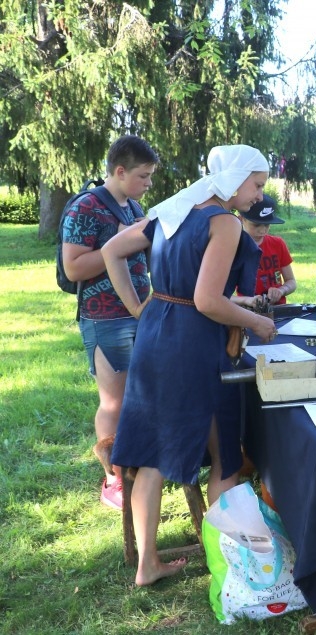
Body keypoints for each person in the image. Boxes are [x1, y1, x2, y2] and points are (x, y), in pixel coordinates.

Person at [101, 145, 277, 586]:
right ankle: (233, 566)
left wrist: (142, 308)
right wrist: (255, 320)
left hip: (157, 332)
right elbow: (207, 301)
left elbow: (111, 251)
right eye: (256, 185)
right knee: (225, 461)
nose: (259, 196)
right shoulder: (224, 223)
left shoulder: (173, 209)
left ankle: (147, 565)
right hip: (194, 343)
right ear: (235, 178)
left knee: (152, 455)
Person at [61, 135, 158, 511]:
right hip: (105, 318)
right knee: (114, 402)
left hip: (140, 313)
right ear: (120, 171)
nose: (148, 183)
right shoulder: (86, 207)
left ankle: (136, 466)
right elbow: (73, 267)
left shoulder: (134, 206)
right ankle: (114, 480)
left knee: (140, 397)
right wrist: (115, 245)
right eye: (143, 175)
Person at [233, 194, 296, 306]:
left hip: (279, 309)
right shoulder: (234, 248)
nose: (262, 230)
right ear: (241, 219)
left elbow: (291, 281)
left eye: (267, 225)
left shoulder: (278, 244)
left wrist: (281, 291)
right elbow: (221, 296)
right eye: (256, 225)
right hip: (248, 311)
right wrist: (246, 300)